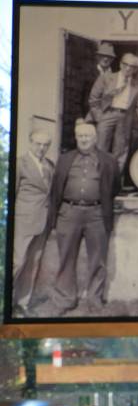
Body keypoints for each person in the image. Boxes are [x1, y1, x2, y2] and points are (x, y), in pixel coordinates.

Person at [46, 121, 120, 315]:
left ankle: (94, 300)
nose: (84, 139)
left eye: (88, 136)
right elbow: (55, 189)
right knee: (66, 258)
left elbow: (115, 188)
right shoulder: (64, 159)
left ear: (95, 138)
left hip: (96, 214)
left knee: (98, 259)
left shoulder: (109, 160)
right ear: (76, 138)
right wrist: (55, 216)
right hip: (68, 213)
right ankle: (65, 299)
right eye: (80, 136)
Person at [88, 52, 138, 172]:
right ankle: (96, 178)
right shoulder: (106, 78)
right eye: (126, 64)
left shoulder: (137, 85)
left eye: (132, 67)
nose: (128, 68)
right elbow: (93, 99)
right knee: (100, 147)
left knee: (120, 152)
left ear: (136, 69)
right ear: (120, 64)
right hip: (107, 114)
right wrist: (99, 117)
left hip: (125, 118)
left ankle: (115, 183)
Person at [11, 130, 55, 314]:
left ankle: (22, 303)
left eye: (45, 145)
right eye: (38, 143)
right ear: (30, 142)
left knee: (33, 263)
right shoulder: (20, 163)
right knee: (17, 262)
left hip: (42, 222)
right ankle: (6, 300)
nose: (41, 148)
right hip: (23, 221)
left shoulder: (50, 165)